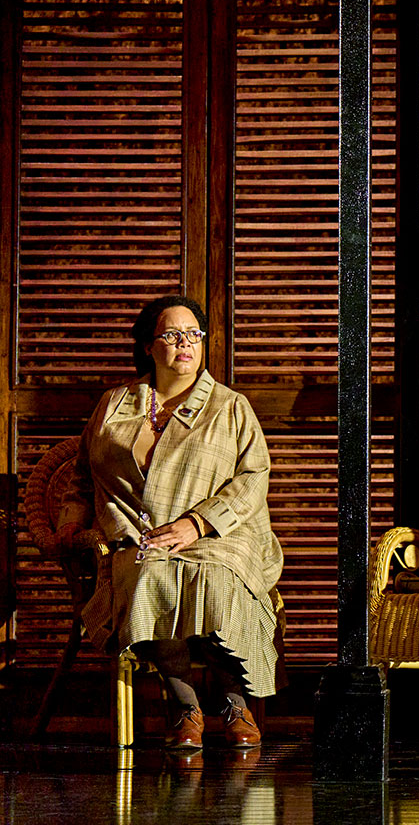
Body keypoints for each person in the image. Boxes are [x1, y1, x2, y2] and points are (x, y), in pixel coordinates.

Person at [61, 295, 283, 749]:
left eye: (194, 334)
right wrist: (70, 523)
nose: (185, 343)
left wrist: (198, 524)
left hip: (218, 537)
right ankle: (186, 707)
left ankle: (234, 705)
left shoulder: (230, 406)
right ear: (148, 346)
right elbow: (83, 473)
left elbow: (253, 477)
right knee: (148, 578)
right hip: (137, 537)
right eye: (172, 334)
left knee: (217, 581)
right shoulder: (115, 404)